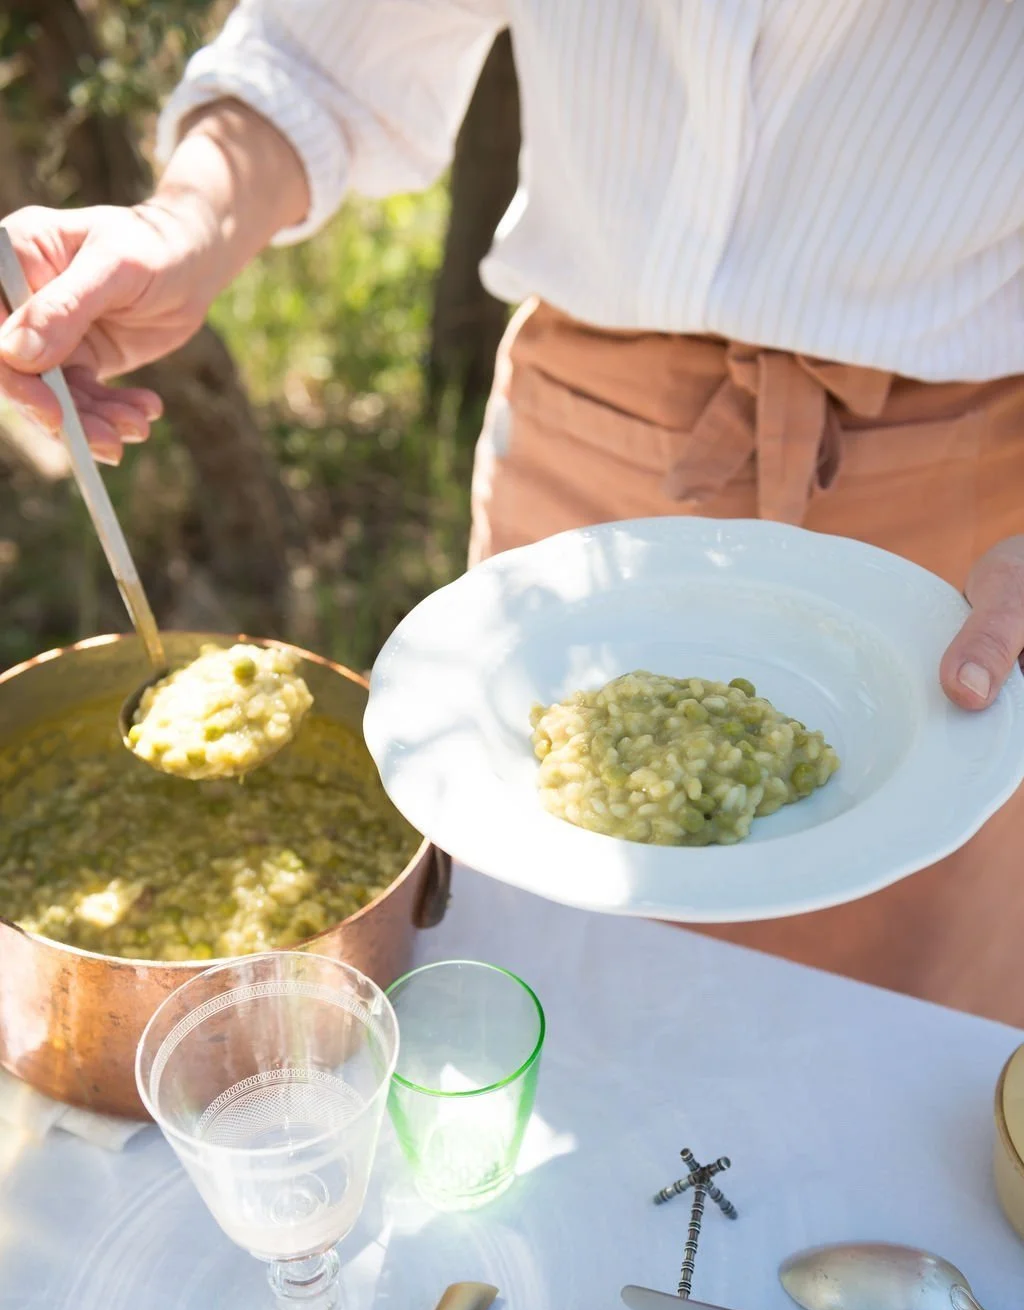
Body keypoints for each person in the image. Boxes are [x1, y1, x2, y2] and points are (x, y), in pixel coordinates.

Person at [2, 2, 1022, 1023]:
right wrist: (181, 224)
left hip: (950, 506)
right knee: (535, 1002)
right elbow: (325, 57)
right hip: (581, 458)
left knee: (889, 1032)